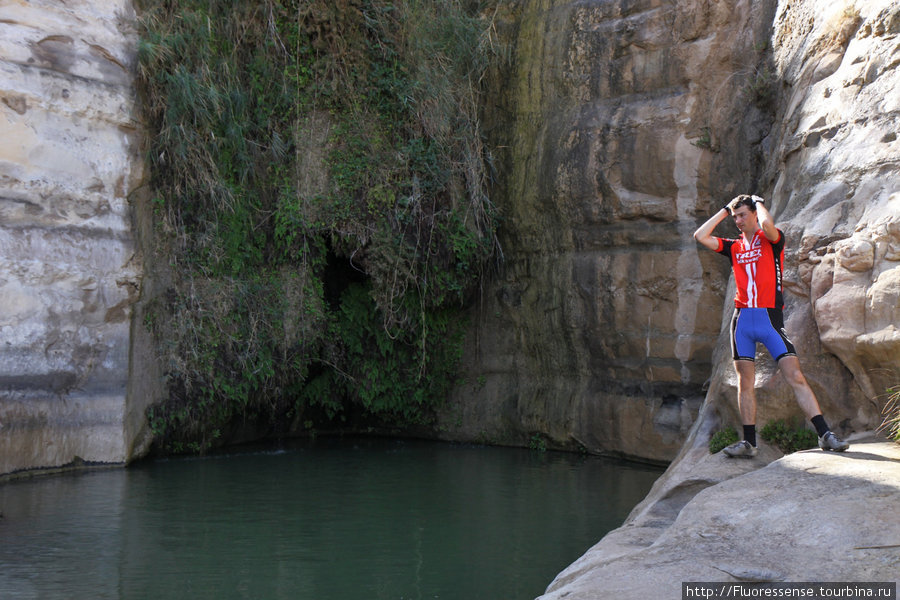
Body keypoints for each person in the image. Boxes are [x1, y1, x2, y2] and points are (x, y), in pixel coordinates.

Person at [693, 194, 849, 458]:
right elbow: (700, 235)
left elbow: (767, 227)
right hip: (742, 321)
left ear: (754, 213)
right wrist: (725, 209)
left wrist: (759, 202)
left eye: (743, 215)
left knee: (795, 376)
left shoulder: (771, 241)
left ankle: (825, 434)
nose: (739, 221)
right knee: (745, 384)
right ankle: (749, 443)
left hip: (769, 320)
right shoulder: (733, 247)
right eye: (736, 217)